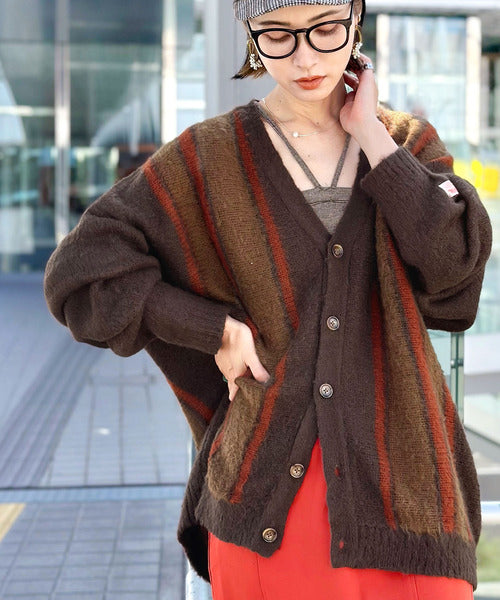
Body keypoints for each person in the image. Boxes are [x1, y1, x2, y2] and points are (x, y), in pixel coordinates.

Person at [43, 0, 493, 598]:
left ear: (356, 20)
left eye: (326, 28)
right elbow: (79, 273)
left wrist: (371, 136)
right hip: (269, 512)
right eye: (278, 34)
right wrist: (213, 330)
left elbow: (455, 282)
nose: (305, 57)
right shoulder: (210, 156)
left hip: (411, 504)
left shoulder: (407, 145)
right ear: (251, 34)